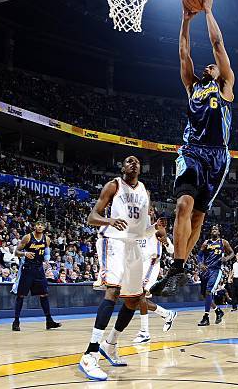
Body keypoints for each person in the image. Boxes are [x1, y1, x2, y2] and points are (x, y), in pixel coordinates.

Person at [151, 0, 235, 297]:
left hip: (218, 158)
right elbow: (184, 52)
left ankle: (181, 264)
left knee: (199, 215)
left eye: (213, 66)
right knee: (184, 204)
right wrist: (186, 20)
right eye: (209, 66)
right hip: (192, 152)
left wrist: (209, 11)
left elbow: (217, 43)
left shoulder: (225, 86)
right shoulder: (192, 86)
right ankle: (177, 266)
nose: (209, 66)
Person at [78, 156, 164, 381]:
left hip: (134, 245)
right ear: (122, 167)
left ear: (140, 168)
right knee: (113, 291)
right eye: (129, 161)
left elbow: (143, 228)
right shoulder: (114, 185)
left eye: (136, 162)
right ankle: (90, 354)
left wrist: (156, 229)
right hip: (113, 241)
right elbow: (91, 217)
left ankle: (111, 344)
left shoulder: (145, 191)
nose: (133, 164)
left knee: (133, 300)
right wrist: (109, 221)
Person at [133, 203, 177, 344]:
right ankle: (167, 314)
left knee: (139, 296)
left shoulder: (159, 229)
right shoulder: (137, 229)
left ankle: (145, 332)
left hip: (151, 264)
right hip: (139, 266)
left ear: (153, 213)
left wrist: (166, 243)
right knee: (134, 300)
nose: (148, 212)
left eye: (150, 210)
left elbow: (171, 250)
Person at [11, 221, 61, 331]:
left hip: (39, 269)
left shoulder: (46, 239)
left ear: (44, 227)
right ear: (34, 227)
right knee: (21, 295)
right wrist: (25, 254)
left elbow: (46, 252)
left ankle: (49, 321)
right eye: (38, 225)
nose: (39, 226)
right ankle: (16, 321)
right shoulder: (27, 237)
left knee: (44, 294)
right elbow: (16, 252)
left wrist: (47, 261)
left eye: (42, 225)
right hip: (28, 268)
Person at [197, 225, 234, 326]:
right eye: (212, 229)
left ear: (219, 232)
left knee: (209, 291)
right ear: (210, 232)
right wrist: (200, 264)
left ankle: (206, 317)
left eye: (216, 229)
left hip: (216, 270)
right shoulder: (206, 243)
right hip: (206, 270)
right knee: (205, 294)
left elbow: (232, 253)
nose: (214, 230)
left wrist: (226, 258)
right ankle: (218, 311)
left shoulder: (223, 242)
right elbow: (199, 255)